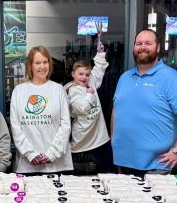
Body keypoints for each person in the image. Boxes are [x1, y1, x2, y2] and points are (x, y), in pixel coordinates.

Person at [111, 29, 177, 176]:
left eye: (148, 43)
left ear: (158, 47)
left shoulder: (171, 79)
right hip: (122, 162)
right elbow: (116, 111)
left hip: (157, 166)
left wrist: (176, 151)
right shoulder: (124, 78)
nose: (142, 47)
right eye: (138, 43)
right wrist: (113, 141)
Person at [10, 46, 73, 174]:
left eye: (45, 62)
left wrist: (52, 153)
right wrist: (30, 154)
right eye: (37, 63)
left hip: (57, 165)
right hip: (27, 165)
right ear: (30, 66)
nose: (42, 66)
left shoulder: (58, 90)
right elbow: (15, 127)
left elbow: (65, 125)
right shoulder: (19, 91)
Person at [64, 44, 110, 175]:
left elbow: (99, 69)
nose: (84, 77)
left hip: (99, 139)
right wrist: (89, 94)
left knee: (102, 174)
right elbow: (82, 108)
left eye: (87, 74)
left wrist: (100, 52)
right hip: (82, 142)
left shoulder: (90, 83)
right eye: (80, 74)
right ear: (73, 74)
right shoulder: (73, 90)